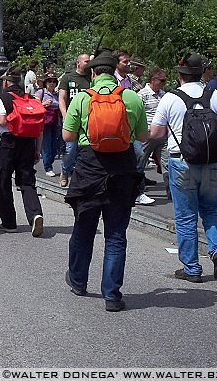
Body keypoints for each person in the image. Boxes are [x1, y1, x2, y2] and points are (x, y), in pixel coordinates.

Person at [62, 51, 147, 311]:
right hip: (122, 171)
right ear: (115, 72)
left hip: (89, 171)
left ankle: (78, 280)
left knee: (84, 229)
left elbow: (67, 136)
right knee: (116, 235)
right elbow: (142, 136)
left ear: (93, 73)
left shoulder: (84, 99)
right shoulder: (131, 97)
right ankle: (111, 295)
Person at [149, 53, 217, 282]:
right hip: (213, 162)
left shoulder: (171, 98)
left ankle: (191, 268)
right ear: (202, 73)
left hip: (181, 161)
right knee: (212, 210)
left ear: (179, 75)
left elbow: (156, 133)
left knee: (185, 216)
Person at [0, 65, 45, 237]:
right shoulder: (30, 98)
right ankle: (35, 214)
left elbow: (1, 121)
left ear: (6, 82)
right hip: (28, 143)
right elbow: (39, 128)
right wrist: (37, 150)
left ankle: (9, 222)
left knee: (3, 180)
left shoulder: (3, 97)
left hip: (9, 143)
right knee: (27, 182)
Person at [59, 53, 92, 188]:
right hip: (72, 118)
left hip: (88, 119)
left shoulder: (91, 77)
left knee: (86, 149)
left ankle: (81, 177)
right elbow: (62, 97)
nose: (88, 64)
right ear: (78, 63)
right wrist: (65, 115)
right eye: (86, 61)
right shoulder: (68, 77)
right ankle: (65, 171)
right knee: (71, 149)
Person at [138, 68, 168, 195]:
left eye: (164, 81)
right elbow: (138, 114)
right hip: (148, 133)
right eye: (161, 81)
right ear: (153, 80)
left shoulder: (164, 94)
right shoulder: (142, 94)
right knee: (140, 162)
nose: (163, 83)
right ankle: (138, 191)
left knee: (167, 163)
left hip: (163, 134)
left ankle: (172, 192)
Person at [36, 74, 63, 177]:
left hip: (56, 122)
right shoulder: (41, 93)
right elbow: (34, 105)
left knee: (55, 145)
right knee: (46, 145)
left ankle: (49, 161)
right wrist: (44, 104)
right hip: (45, 122)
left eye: (53, 81)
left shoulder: (57, 94)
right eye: (49, 81)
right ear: (45, 83)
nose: (51, 83)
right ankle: (48, 167)